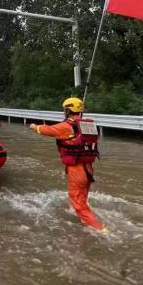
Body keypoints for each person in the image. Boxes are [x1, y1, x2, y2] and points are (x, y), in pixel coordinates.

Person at [29, 98, 107, 233]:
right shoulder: (88, 125)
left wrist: (34, 126)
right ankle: (84, 218)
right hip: (88, 168)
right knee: (82, 199)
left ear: (68, 110)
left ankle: (100, 230)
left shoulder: (66, 127)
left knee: (78, 202)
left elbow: (47, 130)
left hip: (77, 170)